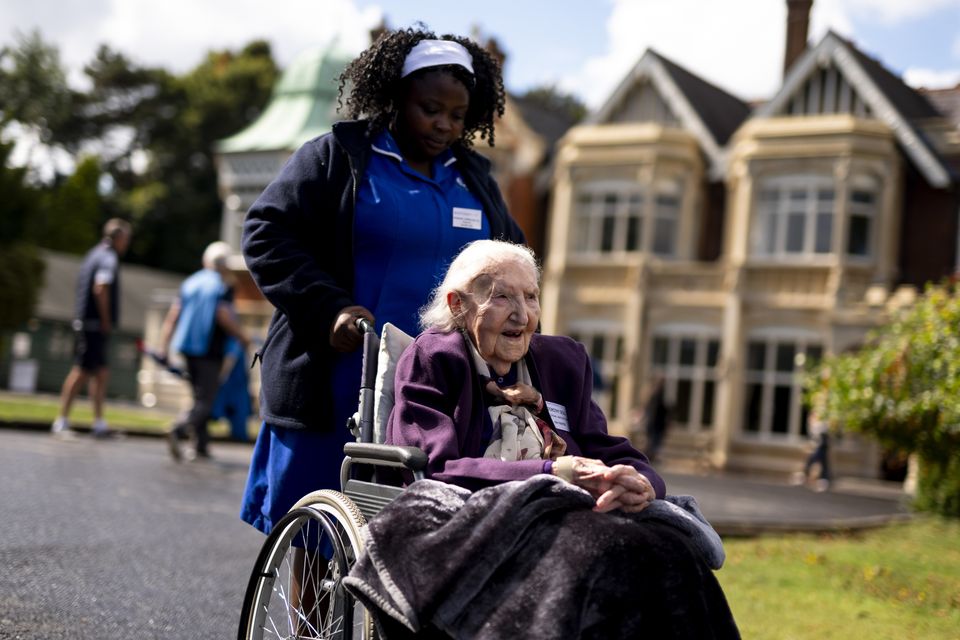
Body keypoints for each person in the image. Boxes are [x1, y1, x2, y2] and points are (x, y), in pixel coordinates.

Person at [240, 27, 525, 535]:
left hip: (439, 388)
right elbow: (266, 234)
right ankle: (313, 619)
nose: (443, 125)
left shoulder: (476, 181)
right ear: (396, 98)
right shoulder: (338, 157)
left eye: (457, 116)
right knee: (320, 536)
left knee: (422, 536)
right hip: (338, 379)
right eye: (430, 108)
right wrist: (330, 308)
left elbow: (516, 263)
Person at [376, 239, 739, 637]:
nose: (522, 314)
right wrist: (554, 472)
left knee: (674, 552)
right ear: (458, 304)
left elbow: (607, 446)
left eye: (531, 297)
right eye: (501, 297)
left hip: (575, 511)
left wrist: (641, 483)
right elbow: (439, 467)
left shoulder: (562, 361)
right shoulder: (434, 358)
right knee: (602, 555)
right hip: (486, 517)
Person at [158, 241, 250, 461]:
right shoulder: (222, 286)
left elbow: (173, 316)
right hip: (209, 349)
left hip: (187, 348)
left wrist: (164, 346)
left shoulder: (189, 283)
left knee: (199, 395)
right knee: (206, 400)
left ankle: (200, 446)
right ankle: (179, 428)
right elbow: (222, 314)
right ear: (224, 265)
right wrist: (242, 336)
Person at [52, 219, 132, 439]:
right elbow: (100, 288)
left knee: (101, 372)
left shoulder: (93, 254)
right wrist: (106, 320)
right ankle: (62, 421)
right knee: (82, 371)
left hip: (88, 322)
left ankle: (99, 423)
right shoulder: (108, 258)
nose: (127, 243)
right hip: (94, 324)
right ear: (118, 238)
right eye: (126, 239)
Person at [795, 410, 832, 491]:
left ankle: (809, 477)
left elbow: (821, 438)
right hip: (818, 447)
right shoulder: (813, 426)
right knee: (821, 463)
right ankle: (823, 479)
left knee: (814, 460)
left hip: (821, 447)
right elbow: (813, 439)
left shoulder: (820, 425)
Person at [641, 376, 670, 462]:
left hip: (653, 423)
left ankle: (649, 457)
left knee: (652, 442)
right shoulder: (658, 394)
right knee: (653, 442)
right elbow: (656, 410)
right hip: (656, 423)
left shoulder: (654, 394)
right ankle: (649, 457)